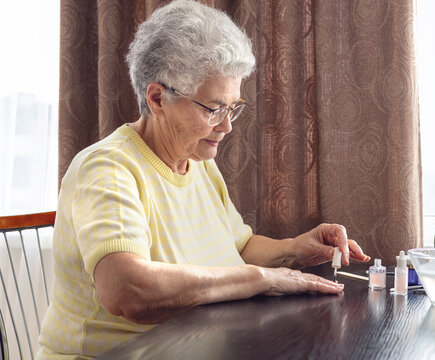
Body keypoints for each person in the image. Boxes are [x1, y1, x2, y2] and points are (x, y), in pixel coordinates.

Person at [37, 0, 370, 358]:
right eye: (214, 109)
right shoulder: (108, 169)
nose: (226, 127)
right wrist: (258, 280)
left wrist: (296, 248)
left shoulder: (198, 162)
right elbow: (127, 290)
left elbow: (238, 249)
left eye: (233, 108)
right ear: (157, 99)